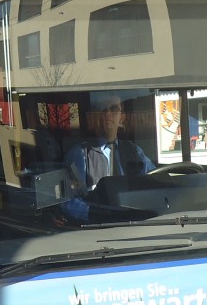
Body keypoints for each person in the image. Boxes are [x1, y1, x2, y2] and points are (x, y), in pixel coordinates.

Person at [62, 92, 155, 223]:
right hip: (97, 230)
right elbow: (68, 201)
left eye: (114, 108)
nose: (108, 114)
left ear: (122, 117)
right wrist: (100, 216)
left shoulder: (135, 151)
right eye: (102, 109)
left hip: (134, 225)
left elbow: (155, 183)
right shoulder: (80, 154)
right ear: (95, 116)